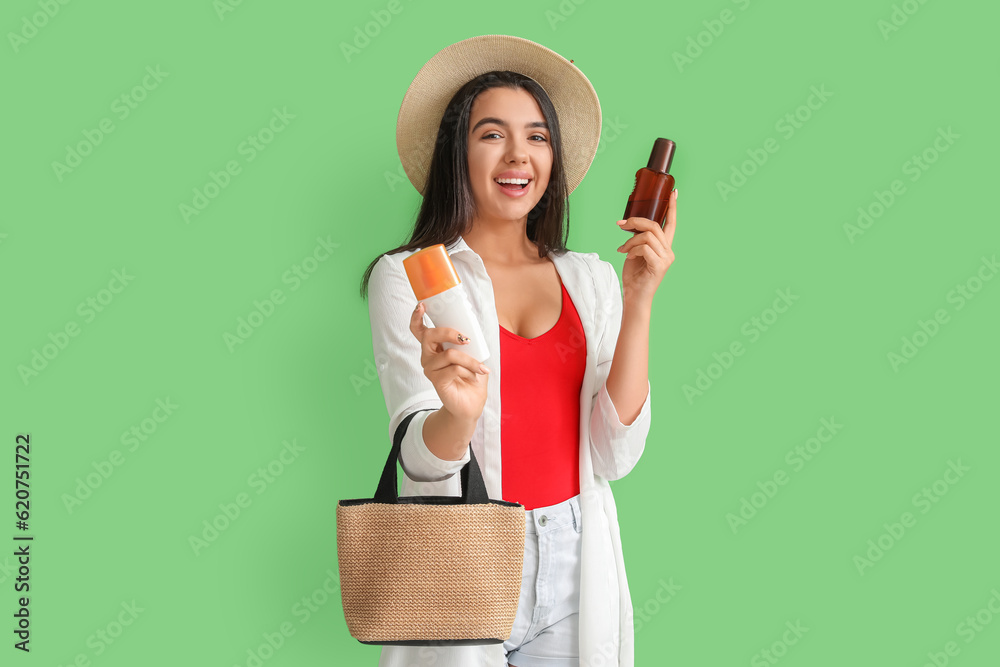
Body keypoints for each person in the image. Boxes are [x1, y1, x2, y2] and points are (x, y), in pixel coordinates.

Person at [359, 34, 677, 667]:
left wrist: (640, 299)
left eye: (537, 136)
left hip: (576, 555)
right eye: (491, 134)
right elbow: (420, 461)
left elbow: (615, 453)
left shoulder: (591, 278)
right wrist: (458, 414)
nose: (518, 155)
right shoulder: (413, 275)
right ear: (459, 151)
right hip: (462, 554)